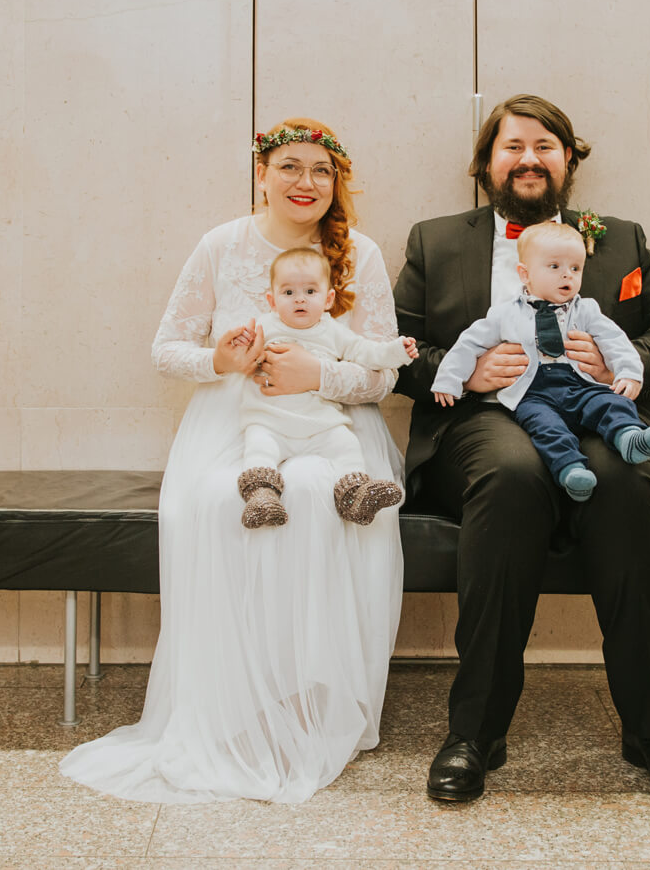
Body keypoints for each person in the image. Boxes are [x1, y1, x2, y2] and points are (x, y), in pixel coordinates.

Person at [59, 118, 406, 804]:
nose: (306, 183)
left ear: (337, 182)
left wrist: (317, 375)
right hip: (233, 422)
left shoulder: (358, 253)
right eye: (291, 167)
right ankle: (236, 703)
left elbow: (382, 374)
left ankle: (315, 701)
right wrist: (220, 360)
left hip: (333, 421)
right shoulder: (221, 246)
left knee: (318, 491)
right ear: (262, 173)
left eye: (321, 171)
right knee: (221, 504)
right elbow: (166, 349)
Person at [393, 94, 650, 805]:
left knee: (627, 483)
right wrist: (464, 370)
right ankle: (475, 732)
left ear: (568, 161)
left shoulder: (620, 240)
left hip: (602, 419)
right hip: (481, 421)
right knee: (510, 478)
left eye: (545, 145)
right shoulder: (436, 240)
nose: (529, 158)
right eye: (513, 146)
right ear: (486, 164)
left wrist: (621, 367)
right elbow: (394, 346)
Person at [430, 222, 650, 502]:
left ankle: (629, 437)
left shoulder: (586, 310)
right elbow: (468, 344)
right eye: (554, 267)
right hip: (534, 393)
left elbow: (616, 340)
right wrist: (450, 379)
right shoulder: (504, 314)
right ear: (525, 274)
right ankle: (571, 470)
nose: (567, 274)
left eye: (575, 268)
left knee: (612, 403)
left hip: (581, 386)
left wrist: (628, 373)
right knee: (544, 426)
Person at [235, 246, 419, 528]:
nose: (300, 299)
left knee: (347, 445)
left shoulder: (332, 331)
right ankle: (262, 496)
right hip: (270, 420)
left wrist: (397, 351)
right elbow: (244, 358)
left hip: (320, 423)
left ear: (328, 298)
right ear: (271, 301)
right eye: (288, 293)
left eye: (310, 292)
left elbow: (367, 353)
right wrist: (243, 347)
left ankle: (354, 497)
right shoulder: (263, 327)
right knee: (258, 446)